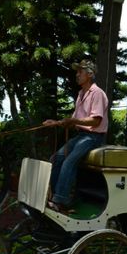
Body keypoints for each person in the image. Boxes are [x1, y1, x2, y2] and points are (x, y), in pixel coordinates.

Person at [42, 59, 109, 212]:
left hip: (93, 137)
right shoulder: (81, 94)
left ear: (90, 74)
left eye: (80, 71)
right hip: (81, 136)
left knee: (69, 161)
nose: (77, 74)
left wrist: (72, 120)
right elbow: (74, 120)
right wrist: (56, 122)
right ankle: (53, 197)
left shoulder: (97, 93)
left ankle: (60, 201)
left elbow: (95, 121)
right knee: (56, 158)